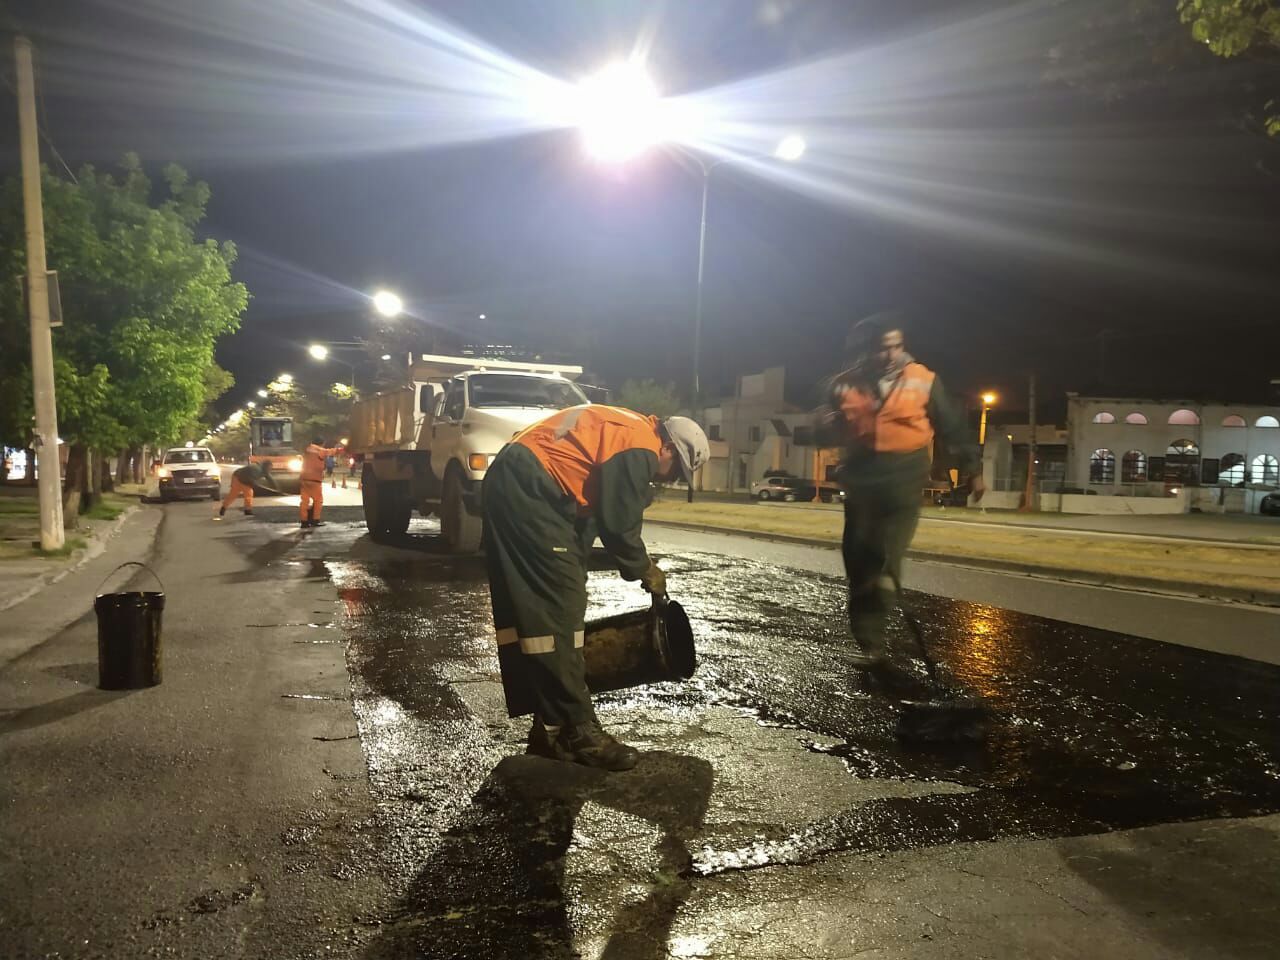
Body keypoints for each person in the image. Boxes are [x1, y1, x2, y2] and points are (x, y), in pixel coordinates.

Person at [482, 404, 710, 772]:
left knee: (547, 607)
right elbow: (619, 525)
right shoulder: (640, 446)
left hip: (522, 482)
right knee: (558, 609)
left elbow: (589, 514)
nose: (666, 479)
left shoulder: (626, 429)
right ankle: (577, 731)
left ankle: (551, 725)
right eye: (674, 471)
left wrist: (577, 564)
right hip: (531, 488)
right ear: (669, 448)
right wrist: (643, 569)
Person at [817, 311, 984, 691]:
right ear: (864, 351)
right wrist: (823, 428)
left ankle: (876, 638)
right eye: (882, 348)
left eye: (897, 345)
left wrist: (973, 468)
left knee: (884, 557)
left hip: (903, 480)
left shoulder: (923, 381)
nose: (891, 354)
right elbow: (825, 427)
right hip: (860, 483)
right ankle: (868, 643)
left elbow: (953, 426)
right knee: (859, 563)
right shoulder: (843, 386)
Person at [300, 437, 342, 528]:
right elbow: (331, 451)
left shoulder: (307, 449)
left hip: (304, 479)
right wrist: (342, 449)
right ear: (322, 443)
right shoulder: (319, 450)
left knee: (304, 501)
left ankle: (304, 522)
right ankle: (315, 520)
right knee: (318, 500)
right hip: (315, 480)